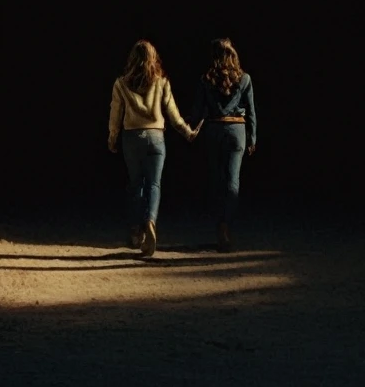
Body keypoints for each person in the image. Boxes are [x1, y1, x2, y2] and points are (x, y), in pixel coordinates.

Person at [108, 39, 197, 257]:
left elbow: (115, 115)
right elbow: (173, 114)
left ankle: (137, 231)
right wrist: (188, 132)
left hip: (131, 137)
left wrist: (112, 137)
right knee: (154, 185)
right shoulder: (162, 82)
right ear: (153, 58)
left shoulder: (121, 84)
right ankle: (151, 222)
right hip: (156, 138)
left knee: (136, 184)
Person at [190, 38, 257, 252]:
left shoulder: (206, 80)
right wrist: (253, 137)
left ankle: (219, 223)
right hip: (237, 131)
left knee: (216, 179)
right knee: (233, 181)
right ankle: (226, 225)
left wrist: (189, 129)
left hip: (214, 131)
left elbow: (198, 111)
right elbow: (252, 111)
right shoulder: (245, 79)